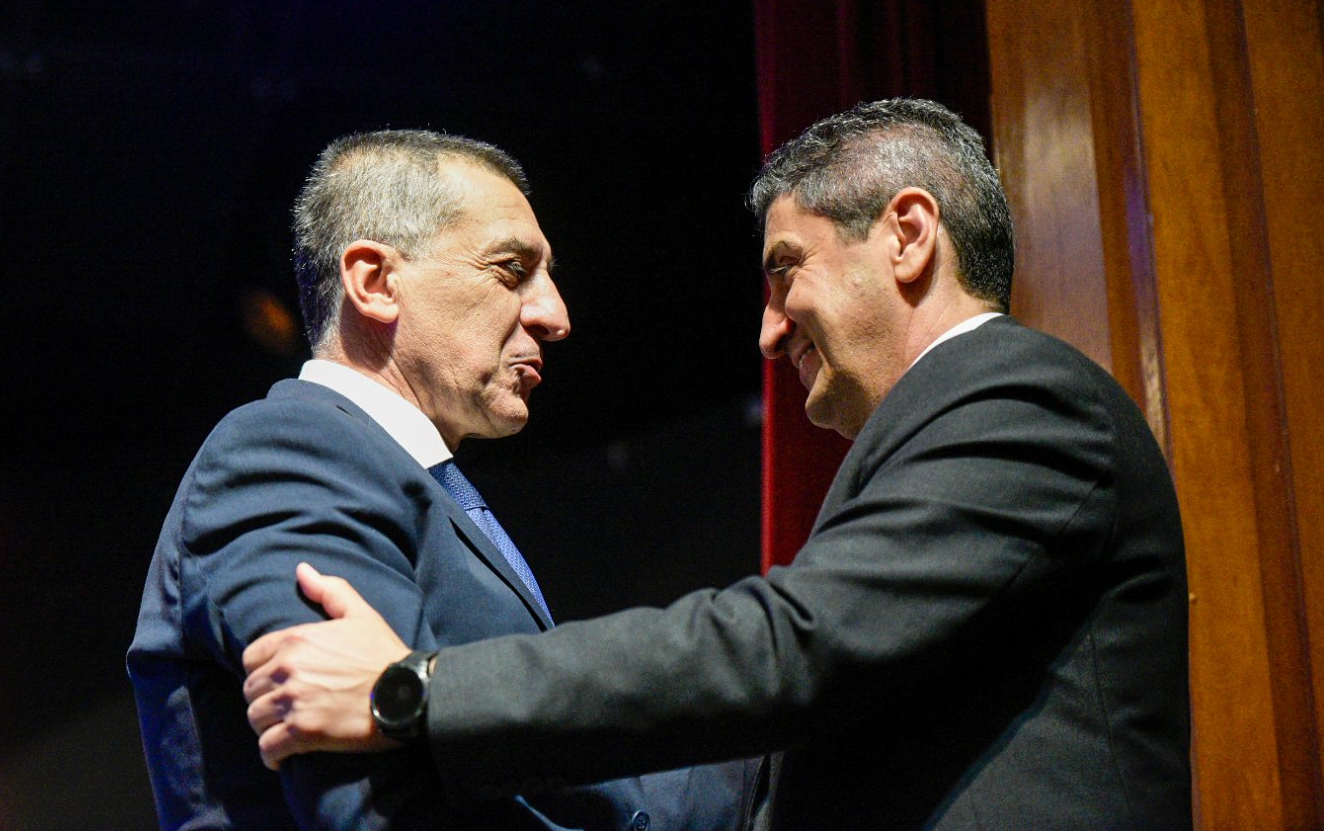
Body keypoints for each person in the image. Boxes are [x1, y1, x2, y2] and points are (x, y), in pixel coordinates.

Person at [240, 100, 1193, 830]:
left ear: (908, 235)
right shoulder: (964, 421)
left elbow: (788, 647)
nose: (770, 331)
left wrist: (417, 690)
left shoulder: (1020, 398)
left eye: (786, 270)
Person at [127, 130, 748, 830]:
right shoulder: (289, 453)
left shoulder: (393, 477)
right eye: (512, 270)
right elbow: (376, 805)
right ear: (375, 282)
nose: (555, 316)